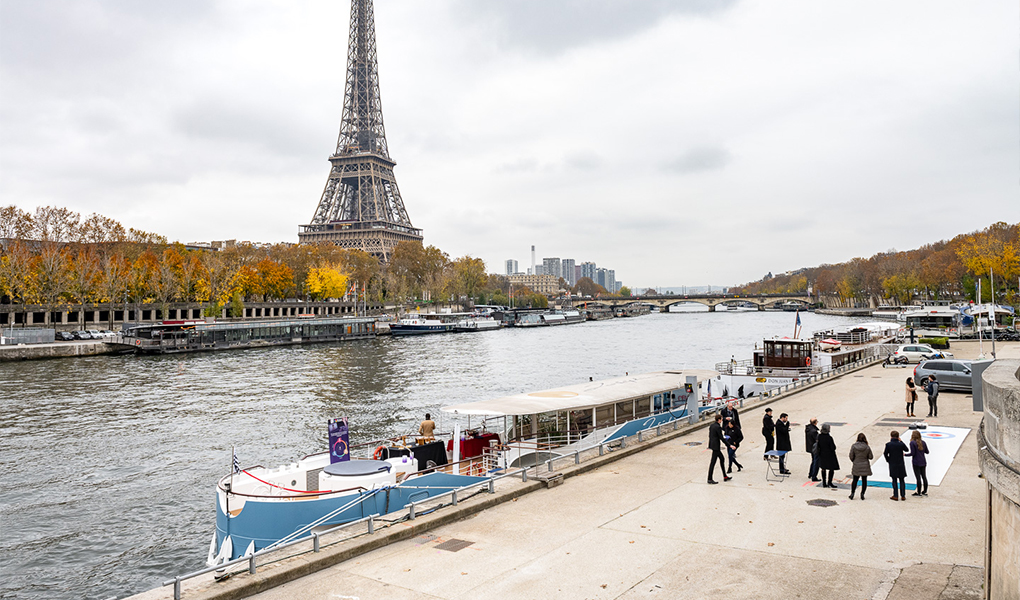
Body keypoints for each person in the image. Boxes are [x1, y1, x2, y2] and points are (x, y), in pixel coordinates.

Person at [884, 431, 910, 501]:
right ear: (898, 437)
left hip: (893, 464)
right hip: (900, 464)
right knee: (902, 480)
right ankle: (903, 495)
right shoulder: (900, 444)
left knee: (894, 480)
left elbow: (885, 453)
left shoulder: (888, 445)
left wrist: (888, 460)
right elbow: (907, 449)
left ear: (891, 436)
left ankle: (895, 495)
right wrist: (901, 441)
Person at [848, 433, 874, 500]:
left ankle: (852, 493)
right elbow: (871, 457)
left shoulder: (854, 446)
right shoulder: (867, 447)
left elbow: (851, 456)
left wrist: (854, 461)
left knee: (855, 480)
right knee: (864, 480)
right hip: (865, 465)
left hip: (857, 464)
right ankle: (862, 494)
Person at [708, 413, 732, 484]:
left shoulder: (712, 426)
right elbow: (721, 437)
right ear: (719, 420)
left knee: (721, 459)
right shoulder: (718, 427)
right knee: (713, 462)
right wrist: (729, 445)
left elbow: (711, 435)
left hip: (712, 445)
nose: (722, 420)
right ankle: (710, 478)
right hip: (716, 447)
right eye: (721, 419)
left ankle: (724, 476)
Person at [906, 430, 930, 496]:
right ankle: (924, 491)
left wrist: (905, 454)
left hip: (916, 462)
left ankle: (918, 492)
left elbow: (912, 453)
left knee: (918, 478)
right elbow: (927, 452)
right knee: (924, 477)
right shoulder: (923, 442)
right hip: (923, 461)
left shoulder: (912, 443)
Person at [815, 423, 839, 488]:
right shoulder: (829, 438)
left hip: (822, 454)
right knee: (831, 469)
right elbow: (833, 447)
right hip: (830, 455)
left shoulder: (819, 436)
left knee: (823, 469)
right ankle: (830, 482)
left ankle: (824, 483)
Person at [805, 418, 820, 482]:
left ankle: (810, 474)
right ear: (815, 422)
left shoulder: (808, 429)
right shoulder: (814, 431)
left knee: (813, 460)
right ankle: (814, 476)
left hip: (810, 447)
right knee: (816, 462)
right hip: (814, 448)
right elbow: (817, 440)